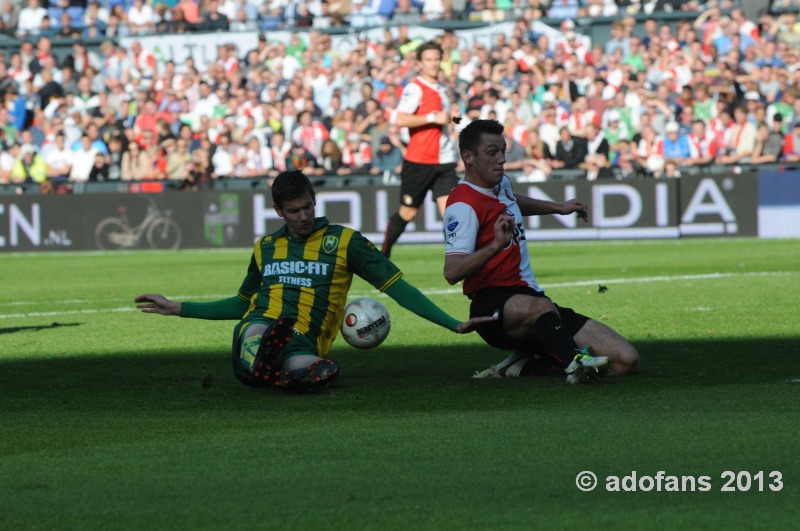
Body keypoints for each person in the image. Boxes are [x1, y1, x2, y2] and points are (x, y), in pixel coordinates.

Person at [136, 170, 492, 392]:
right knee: (254, 329)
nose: (304, 216)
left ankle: (278, 370)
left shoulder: (346, 241)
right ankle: (265, 362)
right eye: (294, 210)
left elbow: (399, 289)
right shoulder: (266, 247)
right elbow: (241, 304)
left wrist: (452, 324)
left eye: (308, 206)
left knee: (311, 368)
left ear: (314, 200)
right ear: (279, 211)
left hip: (305, 339)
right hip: (261, 322)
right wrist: (178, 308)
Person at [442, 120, 639, 384]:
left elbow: (512, 200)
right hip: (492, 306)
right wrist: (495, 246)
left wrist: (557, 207)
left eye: (503, 151)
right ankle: (574, 364)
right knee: (541, 307)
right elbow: (452, 272)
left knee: (625, 360)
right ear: (469, 157)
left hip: (533, 302)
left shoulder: (502, 184)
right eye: (492, 153)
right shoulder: (462, 204)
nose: (502, 159)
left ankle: (526, 364)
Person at [381, 41, 458, 258]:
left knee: (451, 214)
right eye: (429, 60)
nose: (434, 64)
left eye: (436, 59)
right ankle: (382, 255)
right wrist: (433, 117)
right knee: (408, 212)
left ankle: (457, 265)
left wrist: (455, 118)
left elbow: (445, 120)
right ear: (420, 63)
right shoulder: (415, 88)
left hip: (444, 161)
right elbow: (398, 118)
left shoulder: (442, 89)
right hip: (419, 161)